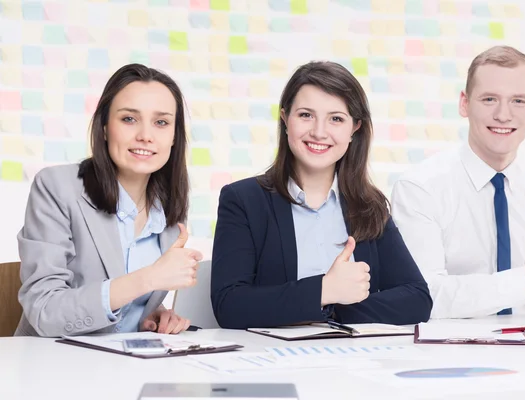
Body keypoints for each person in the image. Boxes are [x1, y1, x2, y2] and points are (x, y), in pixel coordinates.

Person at [211, 61, 432, 329]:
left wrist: (336, 309)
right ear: (285, 118)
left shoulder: (368, 205)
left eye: (336, 119)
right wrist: (323, 291)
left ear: (355, 129)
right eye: (306, 115)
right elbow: (230, 306)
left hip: (352, 359)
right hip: (270, 361)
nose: (318, 132)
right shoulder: (243, 200)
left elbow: (417, 299)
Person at [391, 46, 525, 319]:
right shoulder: (420, 188)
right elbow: (424, 295)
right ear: (464, 103)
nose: (503, 115)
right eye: (489, 99)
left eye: (518, 101)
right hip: (445, 357)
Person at [15, 64, 202, 337]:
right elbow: (45, 309)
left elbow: (127, 297)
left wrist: (151, 312)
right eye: (129, 119)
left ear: (174, 137)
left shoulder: (168, 209)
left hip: (125, 366)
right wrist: (149, 278)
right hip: (55, 366)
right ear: (104, 127)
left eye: (161, 122)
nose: (146, 136)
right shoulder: (56, 188)